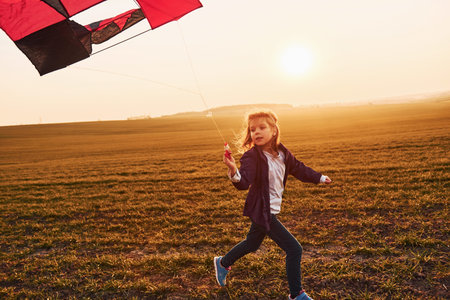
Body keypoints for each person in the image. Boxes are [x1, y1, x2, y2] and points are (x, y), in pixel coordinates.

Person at [214, 110, 332, 300]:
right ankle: (297, 295)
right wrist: (233, 169)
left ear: (274, 130)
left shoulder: (282, 153)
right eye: (252, 130)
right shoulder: (252, 156)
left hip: (270, 209)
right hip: (262, 211)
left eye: (262, 128)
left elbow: (299, 168)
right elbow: (243, 183)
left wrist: (319, 177)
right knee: (294, 249)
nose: (256, 133)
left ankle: (223, 263)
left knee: (252, 244)